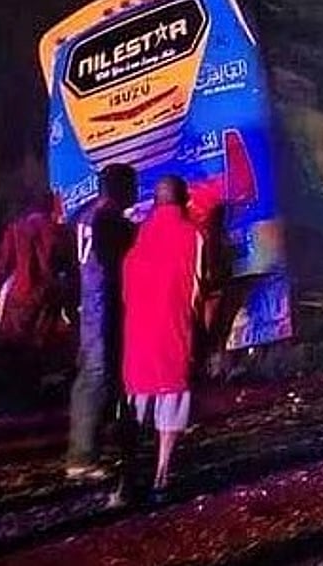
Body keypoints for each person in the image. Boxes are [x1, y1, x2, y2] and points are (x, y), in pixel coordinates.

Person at [121, 176, 204, 502]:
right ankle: (161, 475)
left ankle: (128, 476)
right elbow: (197, 288)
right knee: (172, 401)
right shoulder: (192, 235)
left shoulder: (138, 236)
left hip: (137, 335)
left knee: (136, 406)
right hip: (173, 330)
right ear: (184, 201)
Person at [65, 164, 138, 480]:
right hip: (104, 306)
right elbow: (118, 265)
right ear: (120, 188)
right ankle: (82, 456)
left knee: (91, 375)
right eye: (132, 186)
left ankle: (91, 447)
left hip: (88, 307)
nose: (136, 193)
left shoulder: (83, 215)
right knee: (96, 376)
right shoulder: (110, 221)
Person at [0, 190, 76, 404]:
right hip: (48, 298)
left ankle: (19, 399)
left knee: (15, 350)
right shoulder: (60, 232)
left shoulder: (17, 229)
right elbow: (69, 267)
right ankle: (37, 397)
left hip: (20, 298)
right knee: (41, 349)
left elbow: (4, 263)